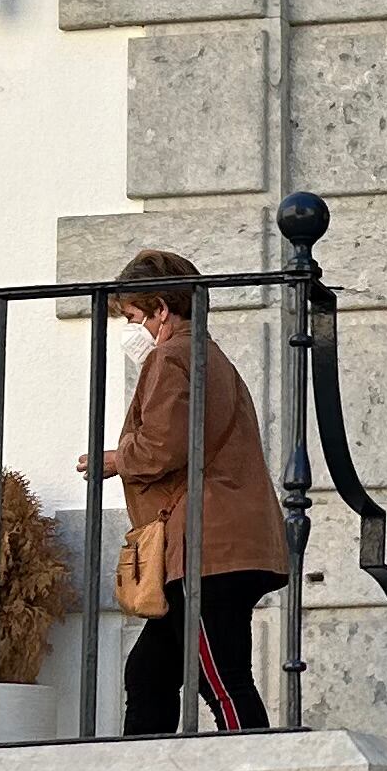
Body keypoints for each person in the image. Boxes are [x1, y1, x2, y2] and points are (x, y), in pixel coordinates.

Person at [91, 251, 291, 732]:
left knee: (221, 678)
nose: (132, 329)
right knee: (149, 673)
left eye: (135, 317)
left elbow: (165, 442)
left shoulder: (173, 353)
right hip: (221, 542)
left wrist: (117, 460)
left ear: (162, 309)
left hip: (208, 549)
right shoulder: (206, 352)